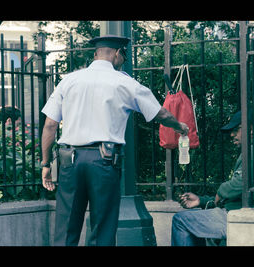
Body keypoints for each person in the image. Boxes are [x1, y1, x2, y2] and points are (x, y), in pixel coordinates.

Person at [40, 35, 189, 246]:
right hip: (104, 161)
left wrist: (46, 163)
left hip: (70, 161)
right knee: (102, 228)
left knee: (65, 228)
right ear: (118, 54)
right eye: (123, 57)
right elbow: (160, 114)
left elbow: (50, 125)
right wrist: (179, 126)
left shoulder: (68, 81)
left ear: (95, 54)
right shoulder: (125, 83)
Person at [171, 110, 250, 246]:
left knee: (180, 220)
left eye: (236, 130)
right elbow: (235, 197)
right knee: (190, 223)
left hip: (238, 217)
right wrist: (201, 201)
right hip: (235, 211)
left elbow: (240, 184)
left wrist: (221, 191)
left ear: (251, 128)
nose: (232, 135)